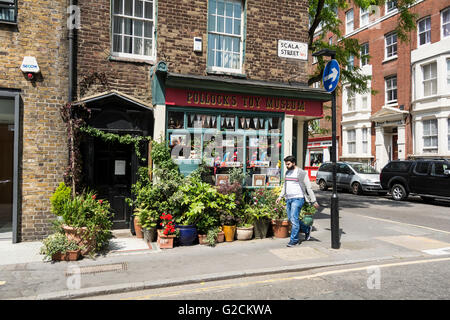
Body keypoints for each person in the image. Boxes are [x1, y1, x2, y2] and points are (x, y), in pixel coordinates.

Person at [276, 155, 320, 247]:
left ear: (294, 163)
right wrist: (280, 196)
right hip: (288, 199)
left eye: (288, 164)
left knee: (294, 219)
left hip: (298, 198)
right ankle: (307, 229)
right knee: (291, 219)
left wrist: (313, 201)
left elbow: (309, 187)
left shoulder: (302, 173)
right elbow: (285, 185)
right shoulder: (287, 172)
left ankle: (294, 240)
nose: (287, 166)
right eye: (286, 164)